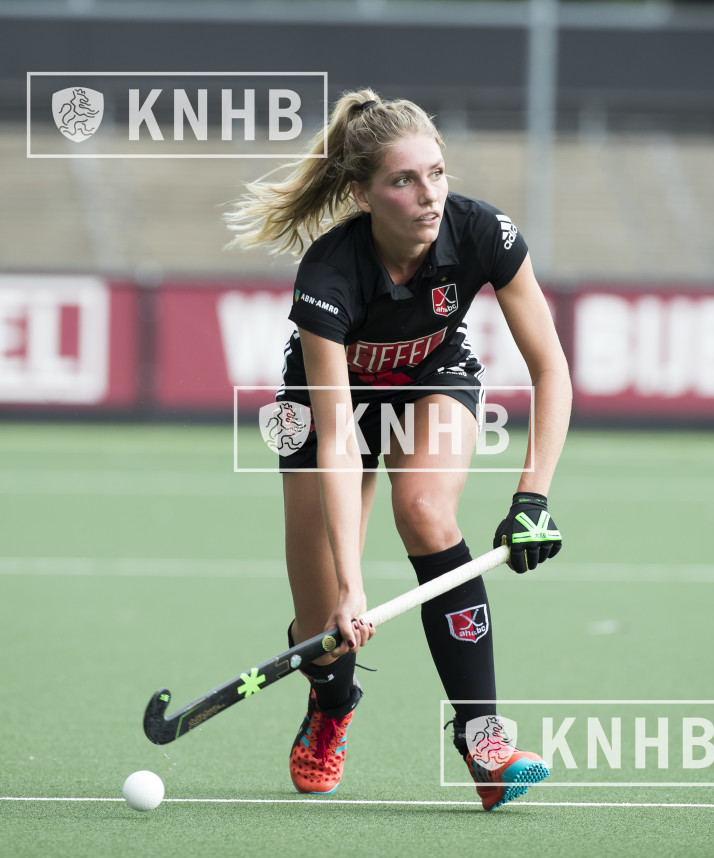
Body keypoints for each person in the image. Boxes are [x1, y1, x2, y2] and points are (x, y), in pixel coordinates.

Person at [225, 89, 572, 811]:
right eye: (404, 181)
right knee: (325, 626)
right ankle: (332, 702)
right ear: (362, 194)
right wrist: (352, 590)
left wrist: (532, 497)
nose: (428, 195)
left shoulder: (482, 232)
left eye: (436, 173)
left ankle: (485, 744)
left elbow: (550, 370)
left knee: (425, 511)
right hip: (329, 408)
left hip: (431, 378)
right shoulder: (328, 272)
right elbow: (338, 437)